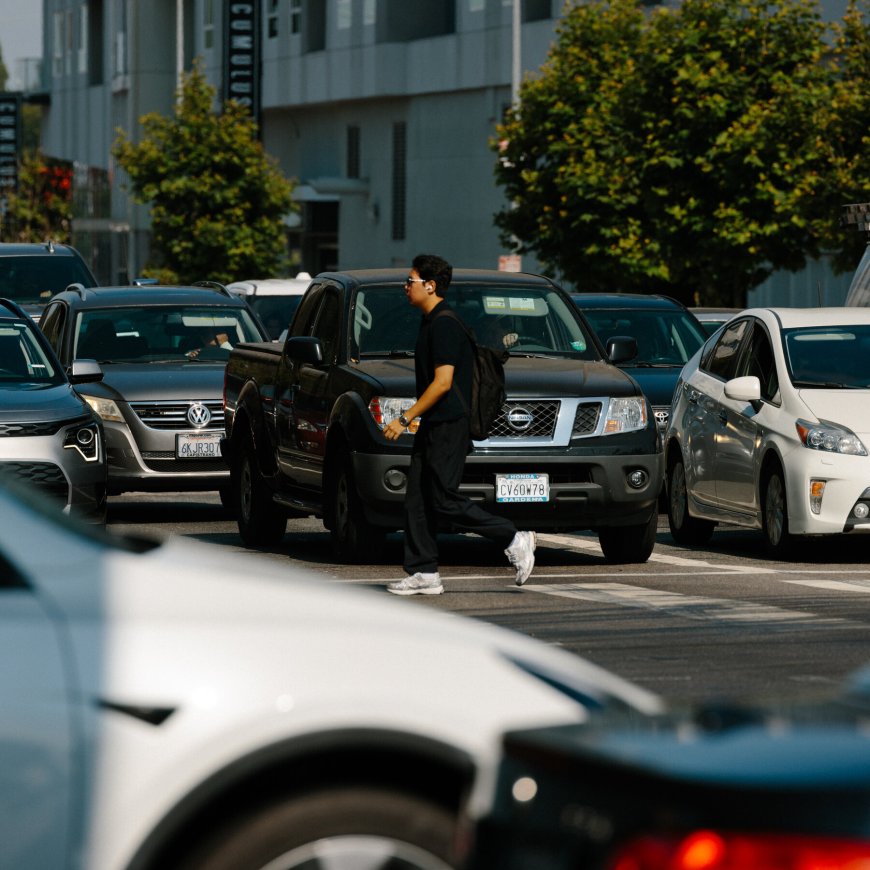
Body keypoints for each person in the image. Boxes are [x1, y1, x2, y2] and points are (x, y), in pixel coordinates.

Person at [383, 253, 536, 595]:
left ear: (431, 285)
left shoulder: (444, 325)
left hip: (449, 424)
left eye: (411, 281)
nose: (405, 287)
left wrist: (405, 417)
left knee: (443, 500)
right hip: (436, 424)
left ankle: (513, 537)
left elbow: (442, 382)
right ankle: (424, 572)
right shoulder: (431, 322)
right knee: (418, 499)